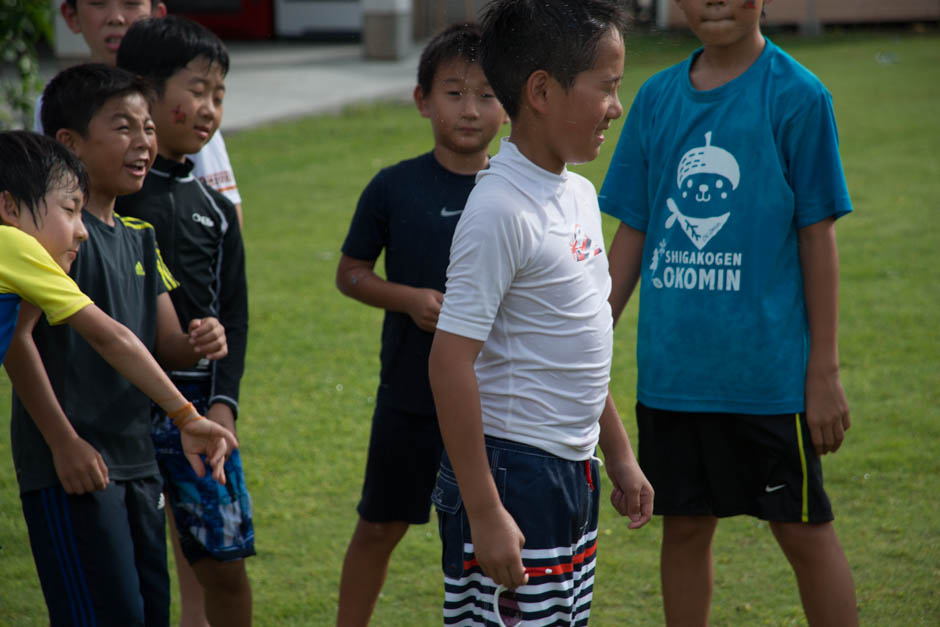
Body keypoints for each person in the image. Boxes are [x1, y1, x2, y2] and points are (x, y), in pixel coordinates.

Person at [598, 1, 858, 625]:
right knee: (683, 529)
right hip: (674, 376)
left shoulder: (798, 96)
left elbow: (817, 238)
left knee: (802, 531)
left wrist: (822, 371)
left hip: (766, 380)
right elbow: (633, 230)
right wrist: (587, 334)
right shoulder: (656, 99)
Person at [427, 1, 654, 624]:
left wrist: (619, 453)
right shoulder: (501, 210)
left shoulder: (578, 193)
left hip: (569, 469)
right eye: (607, 88)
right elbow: (449, 365)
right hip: (514, 474)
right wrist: (485, 510)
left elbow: (574, 349)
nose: (616, 106)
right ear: (542, 91)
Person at [2, 69, 238, 626]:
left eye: (148, 127)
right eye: (123, 126)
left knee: (145, 611)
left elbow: (155, 344)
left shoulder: (137, 236)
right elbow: (22, 339)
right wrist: (63, 441)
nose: (143, 140)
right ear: (70, 142)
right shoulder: (44, 244)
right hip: (76, 458)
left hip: (137, 459)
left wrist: (202, 342)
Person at [334, 23, 507, 626]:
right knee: (380, 526)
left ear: (509, 104)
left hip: (498, 405)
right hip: (409, 396)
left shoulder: (515, 190)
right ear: (421, 100)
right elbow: (350, 272)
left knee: (483, 540)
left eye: (487, 94)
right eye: (454, 92)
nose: (470, 109)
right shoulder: (393, 187)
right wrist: (407, 298)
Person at [115, 16, 254, 627]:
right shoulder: (103, 203)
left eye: (219, 95)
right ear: (144, 90)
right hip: (117, 411)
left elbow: (236, 318)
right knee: (133, 565)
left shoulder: (216, 211)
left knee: (223, 566)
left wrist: (222, 407)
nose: (209, 108)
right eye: (196, 89)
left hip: (198, 408)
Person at [37, 0, 245, 226]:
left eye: (131, 3)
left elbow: (225, 217)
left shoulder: (190, 123)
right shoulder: (58, 101)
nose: (115, 17)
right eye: (98, 3)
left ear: (158, 14)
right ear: (70, 15)